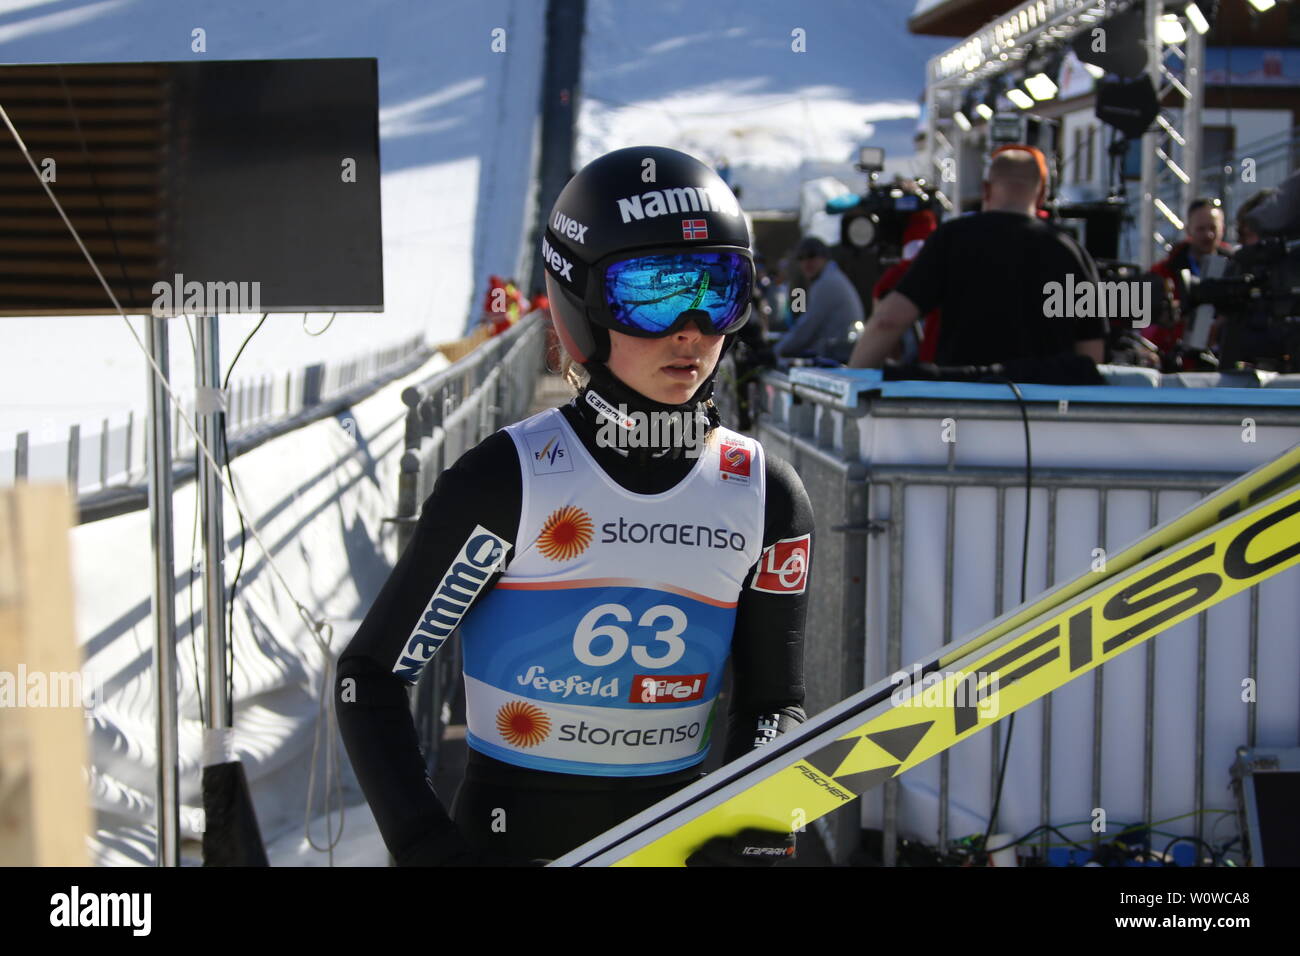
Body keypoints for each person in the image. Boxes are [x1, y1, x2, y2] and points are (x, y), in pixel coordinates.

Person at [336, 145, 813, 866]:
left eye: (717, 290)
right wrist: (425, 845)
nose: (690, 329)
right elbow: (369, 677)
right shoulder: (509, 480)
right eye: (651, 293)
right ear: (581, 304)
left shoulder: (765, 492)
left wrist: (756, 831)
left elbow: (774, 704)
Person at [848, 146, 1107, 383]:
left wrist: (852, 389)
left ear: (986, 189)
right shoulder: (1071, 252)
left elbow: (888, 321)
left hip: (961, 410)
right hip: (1047, 414)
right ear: (1042, 195)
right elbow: (1090, 356)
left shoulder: (951, 239)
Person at [1146, 197, 1232, 362]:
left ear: (1223, 228)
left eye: (1213, 228)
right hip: (1177, 358)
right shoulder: (1164, 271)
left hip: (1224, 357)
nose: (1208, 235)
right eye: (1201, 229)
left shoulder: (1235, 266)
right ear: (1188, 230)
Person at [774, 236, 864, 362]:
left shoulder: (827, 282)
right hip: (837, 353)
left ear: (825, 257)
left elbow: (806, 328)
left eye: (811, 255)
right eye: (801, 258)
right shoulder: (827, 277)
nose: (806, 262)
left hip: (840, 358)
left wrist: (775, 351)